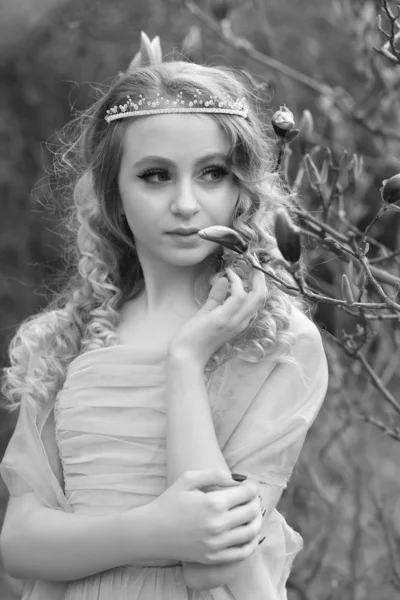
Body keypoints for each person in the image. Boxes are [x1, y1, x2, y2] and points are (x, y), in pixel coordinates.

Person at [0, 32, 328, 600]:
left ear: (242, 189)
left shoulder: (276, 342)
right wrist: (152, 530)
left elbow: (214, 564)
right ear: (112, 194)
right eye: (155, 175)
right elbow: (19, 545)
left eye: (213, 173)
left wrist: (187, 358)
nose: (185, 203)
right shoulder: (60, 341)